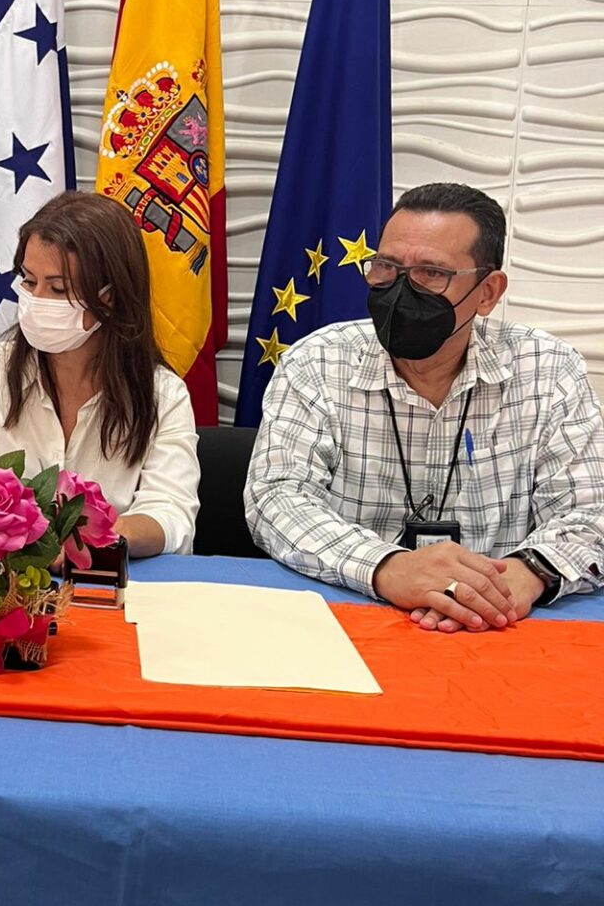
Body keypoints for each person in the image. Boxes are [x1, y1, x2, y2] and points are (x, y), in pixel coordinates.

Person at [245, 182, 604, 631]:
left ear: (488, 292)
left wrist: (527, 574)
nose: (401, 290)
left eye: (432, 273)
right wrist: (387, 567)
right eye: (386, 267)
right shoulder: (317, 361)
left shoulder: (548, 369)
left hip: (497, 627)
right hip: (350, 616)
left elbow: (592, 511)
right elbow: (275, 498)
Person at [0, 192, 200, 557]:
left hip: (110, 579)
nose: (36, 300)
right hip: (1, 579)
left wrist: (99, 535)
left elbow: (172, 516)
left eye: (57, 288)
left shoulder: (162, 395)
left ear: (109, 297)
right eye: (29, 282)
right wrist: (28, 541)